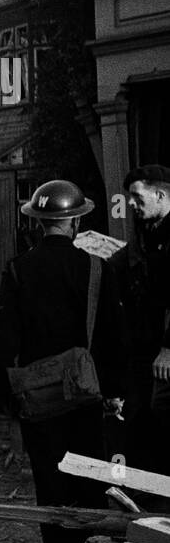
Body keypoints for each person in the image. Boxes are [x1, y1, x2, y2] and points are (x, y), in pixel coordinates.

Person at [0, 180, 126, 543]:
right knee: (89, 482)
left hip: (38, 401)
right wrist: (114, 392)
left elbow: (5, 342)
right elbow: (113, 337)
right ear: (76, 223)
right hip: (86, 397)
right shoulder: (97, 269)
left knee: (50, 487)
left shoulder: (17, 270)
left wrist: (10, 401)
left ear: (39, 222)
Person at [109, 165, 170, 482]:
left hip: (164, 350)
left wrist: (169, 348)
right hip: (143, 345)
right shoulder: (146, 232)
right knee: (138, 419)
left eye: (136, 196)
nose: (130, 203)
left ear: (160, 195)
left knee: (162, 416)